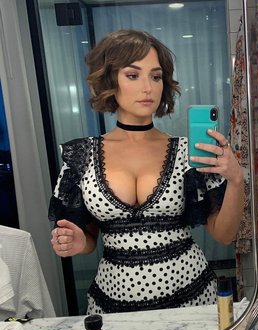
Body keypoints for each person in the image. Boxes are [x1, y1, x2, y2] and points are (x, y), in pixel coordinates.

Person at [48, 29, 244, 314]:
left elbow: (224, 235)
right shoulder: (82, 155)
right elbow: (88, 239)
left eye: (156, 76)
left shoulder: (188, 152)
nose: (148, 87)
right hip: (114, 304)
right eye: (132, 75)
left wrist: (236, 180)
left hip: (191, 297)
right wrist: (78, 242)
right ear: (109, 80)